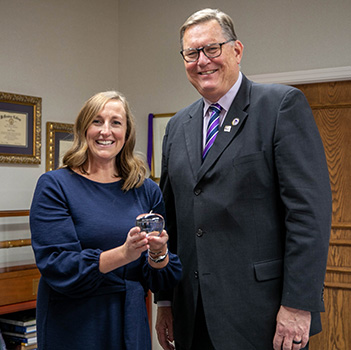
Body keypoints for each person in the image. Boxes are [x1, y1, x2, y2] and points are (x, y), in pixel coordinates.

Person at [155, 8, 332, 350]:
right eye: (191, 53)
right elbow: (171, 219)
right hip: (193, 314)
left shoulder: (280, 107)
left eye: (212, 49)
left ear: (236, 50)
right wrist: (165, 301)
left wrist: (298, 304)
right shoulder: (178, 127)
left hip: (264, 316)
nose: (202, 61)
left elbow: (308, 215)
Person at [30, 91, 182, 350]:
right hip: (74, 321)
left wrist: (159, 253)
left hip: (129, 319)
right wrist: (123, 254)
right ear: (83, 129)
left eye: (116, 122)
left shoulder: (146, 190)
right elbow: (57, 264)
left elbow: (159, 280)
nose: (105, 131)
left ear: (127, 132)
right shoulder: (55, 186)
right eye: (97, 121)